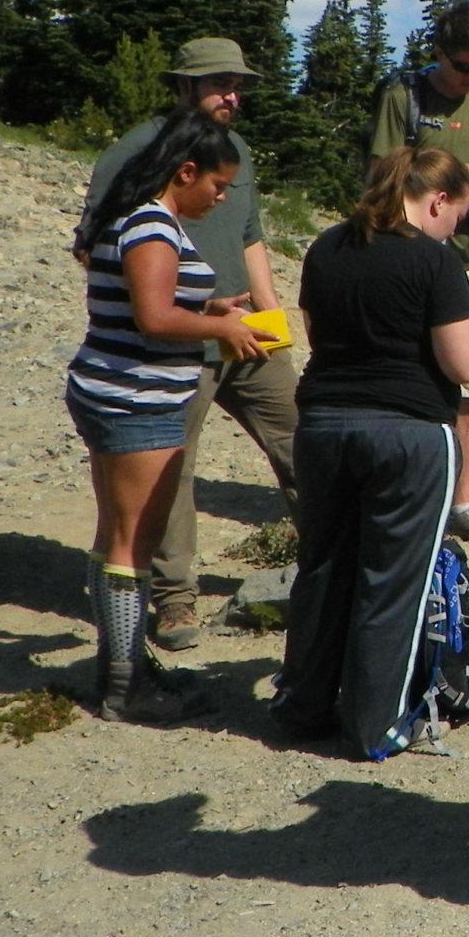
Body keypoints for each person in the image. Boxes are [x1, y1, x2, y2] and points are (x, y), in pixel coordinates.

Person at [271, 147, 469, 754]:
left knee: (323, 568)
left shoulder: (327, 247)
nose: (457, 227)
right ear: (436, 201)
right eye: (458, 214)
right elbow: (462, 364)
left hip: (323, 424)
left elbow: (319, 335)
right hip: (409, 431)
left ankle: (303, 703)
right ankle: (376, 722)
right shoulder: (434, 262)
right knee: (392, 579)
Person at [77, 37, 297, 653]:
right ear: (183, 86)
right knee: (173, 472)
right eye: (219, 84)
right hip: (177, 342)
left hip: (242, 326)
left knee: (303, 441)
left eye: (239, 85)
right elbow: (94, 246)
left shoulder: (236, 153)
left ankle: (334, 567)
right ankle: (174, 602)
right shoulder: (131, 153)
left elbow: (252, 237)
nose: (232, 96)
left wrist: (271, 315)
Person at [67, 111, 269, 722]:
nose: (222, 196)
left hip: (114, 388)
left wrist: (206, 303)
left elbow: (147, 300)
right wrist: (221, 327)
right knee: (133, 542)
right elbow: (154, 318)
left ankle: (117, 667)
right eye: (216, 184)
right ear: (186, 172)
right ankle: (127, 687)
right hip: (137, 398)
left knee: (116, 536)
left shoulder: (134, 218)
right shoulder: (153, 225)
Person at [369, 2, 469, 549]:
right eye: (464, 67)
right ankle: (406, 491)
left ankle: (463, 500)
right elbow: (383, 174)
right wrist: (457, 178)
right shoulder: (402, 96)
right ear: (439, 54)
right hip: (410, 254)